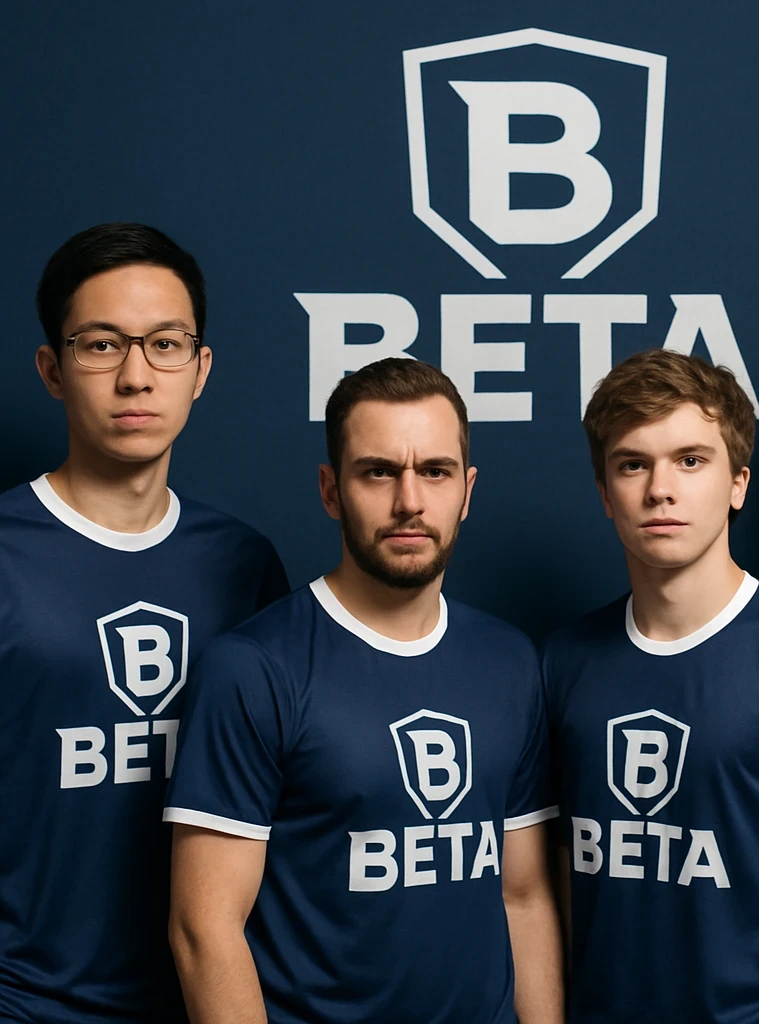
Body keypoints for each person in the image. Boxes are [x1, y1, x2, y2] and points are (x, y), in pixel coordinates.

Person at [164, 357, 563, 1024]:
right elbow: (204, 931)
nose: (409, 501)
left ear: (466, 491)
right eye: (379, 472)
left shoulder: (510, 660)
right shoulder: (253, 668)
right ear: (330, 490)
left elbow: (521, 896)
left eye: (434, 472)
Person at [544, 349, 759, 1023]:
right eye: (632, 464)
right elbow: (555, 887)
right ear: (604, 493)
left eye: (690, 460)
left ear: (738, 482)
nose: (659, 489)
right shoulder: (563, 662)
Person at [0, 223, 288, 1023]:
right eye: (101, 345)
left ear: (200, 370)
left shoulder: (244, 563)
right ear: (52, 370)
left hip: (211, 998)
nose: (136, 376)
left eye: (165, 344)